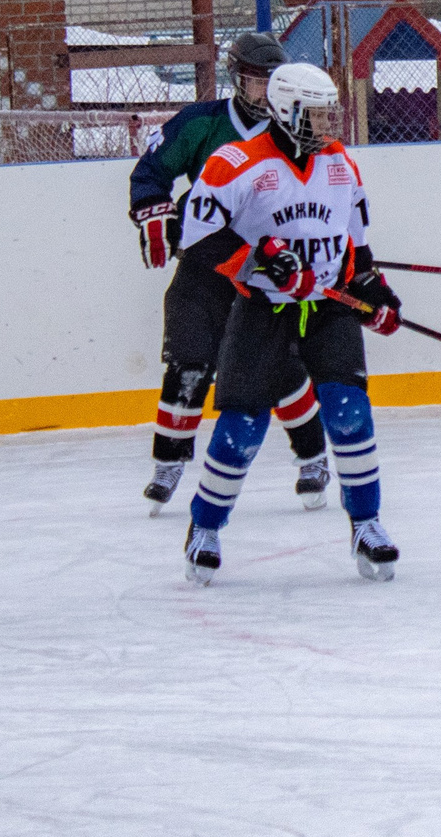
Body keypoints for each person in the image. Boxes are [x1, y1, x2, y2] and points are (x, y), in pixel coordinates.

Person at [173, 61, 404, 585]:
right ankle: (205, 527)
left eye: (329, 113)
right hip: (262, 310)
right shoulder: (234, 162)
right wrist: (263, 259)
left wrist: (374, 294)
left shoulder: (341, 164)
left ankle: (366, 524)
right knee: (241, 429)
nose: (326, 124)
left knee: (349, 412)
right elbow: (199, 237)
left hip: (327, 306)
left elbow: (355, 251)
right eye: (316, 114)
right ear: (284, 109)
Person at [126, 30, 332, 511]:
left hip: (265, 273)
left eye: (273, 82)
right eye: (257, 81)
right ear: (237, 81)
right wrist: (155, 212)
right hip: (208, 264)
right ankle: (169, 462)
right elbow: (151, 173)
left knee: (280, 369)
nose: (266, 91)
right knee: (189, 362)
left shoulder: (292, 135)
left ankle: (312, 456)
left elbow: (316, 195)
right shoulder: (200, 124)